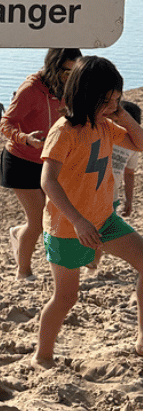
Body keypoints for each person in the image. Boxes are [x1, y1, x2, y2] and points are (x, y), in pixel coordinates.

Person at [32, 56, 143, 369]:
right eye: (106, 101)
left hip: (104, 220)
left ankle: (142, 339)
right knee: (66, 298)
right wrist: (79, 222)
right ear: (85, 95)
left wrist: (122, 114)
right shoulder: (63, 131)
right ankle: (42, 356)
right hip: (67, 228)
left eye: (116, 100)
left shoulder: (106, 125)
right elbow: (47, 181)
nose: (112, 107)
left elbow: (141, 143)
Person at [0, 48, 82, 280]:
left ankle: (18, 233)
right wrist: (25, 138)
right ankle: (23, 273)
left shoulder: (69, 88)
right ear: (53, 67)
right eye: (66, 71)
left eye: (75, 71)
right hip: (21, 160)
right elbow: (6, 123)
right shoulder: (30, 90)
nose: (70, 76)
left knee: (54, 218)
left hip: (51, 162)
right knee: (36, 223)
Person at [87, 99, 141, 272]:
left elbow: (129, 173)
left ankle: (93, 265)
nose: (118, 126)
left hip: (112, 197)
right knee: (89, 231)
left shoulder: (132, 146)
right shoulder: (102, 134)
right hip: (90, 194)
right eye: (115, 121)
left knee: (99, 233)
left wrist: (129, 200)